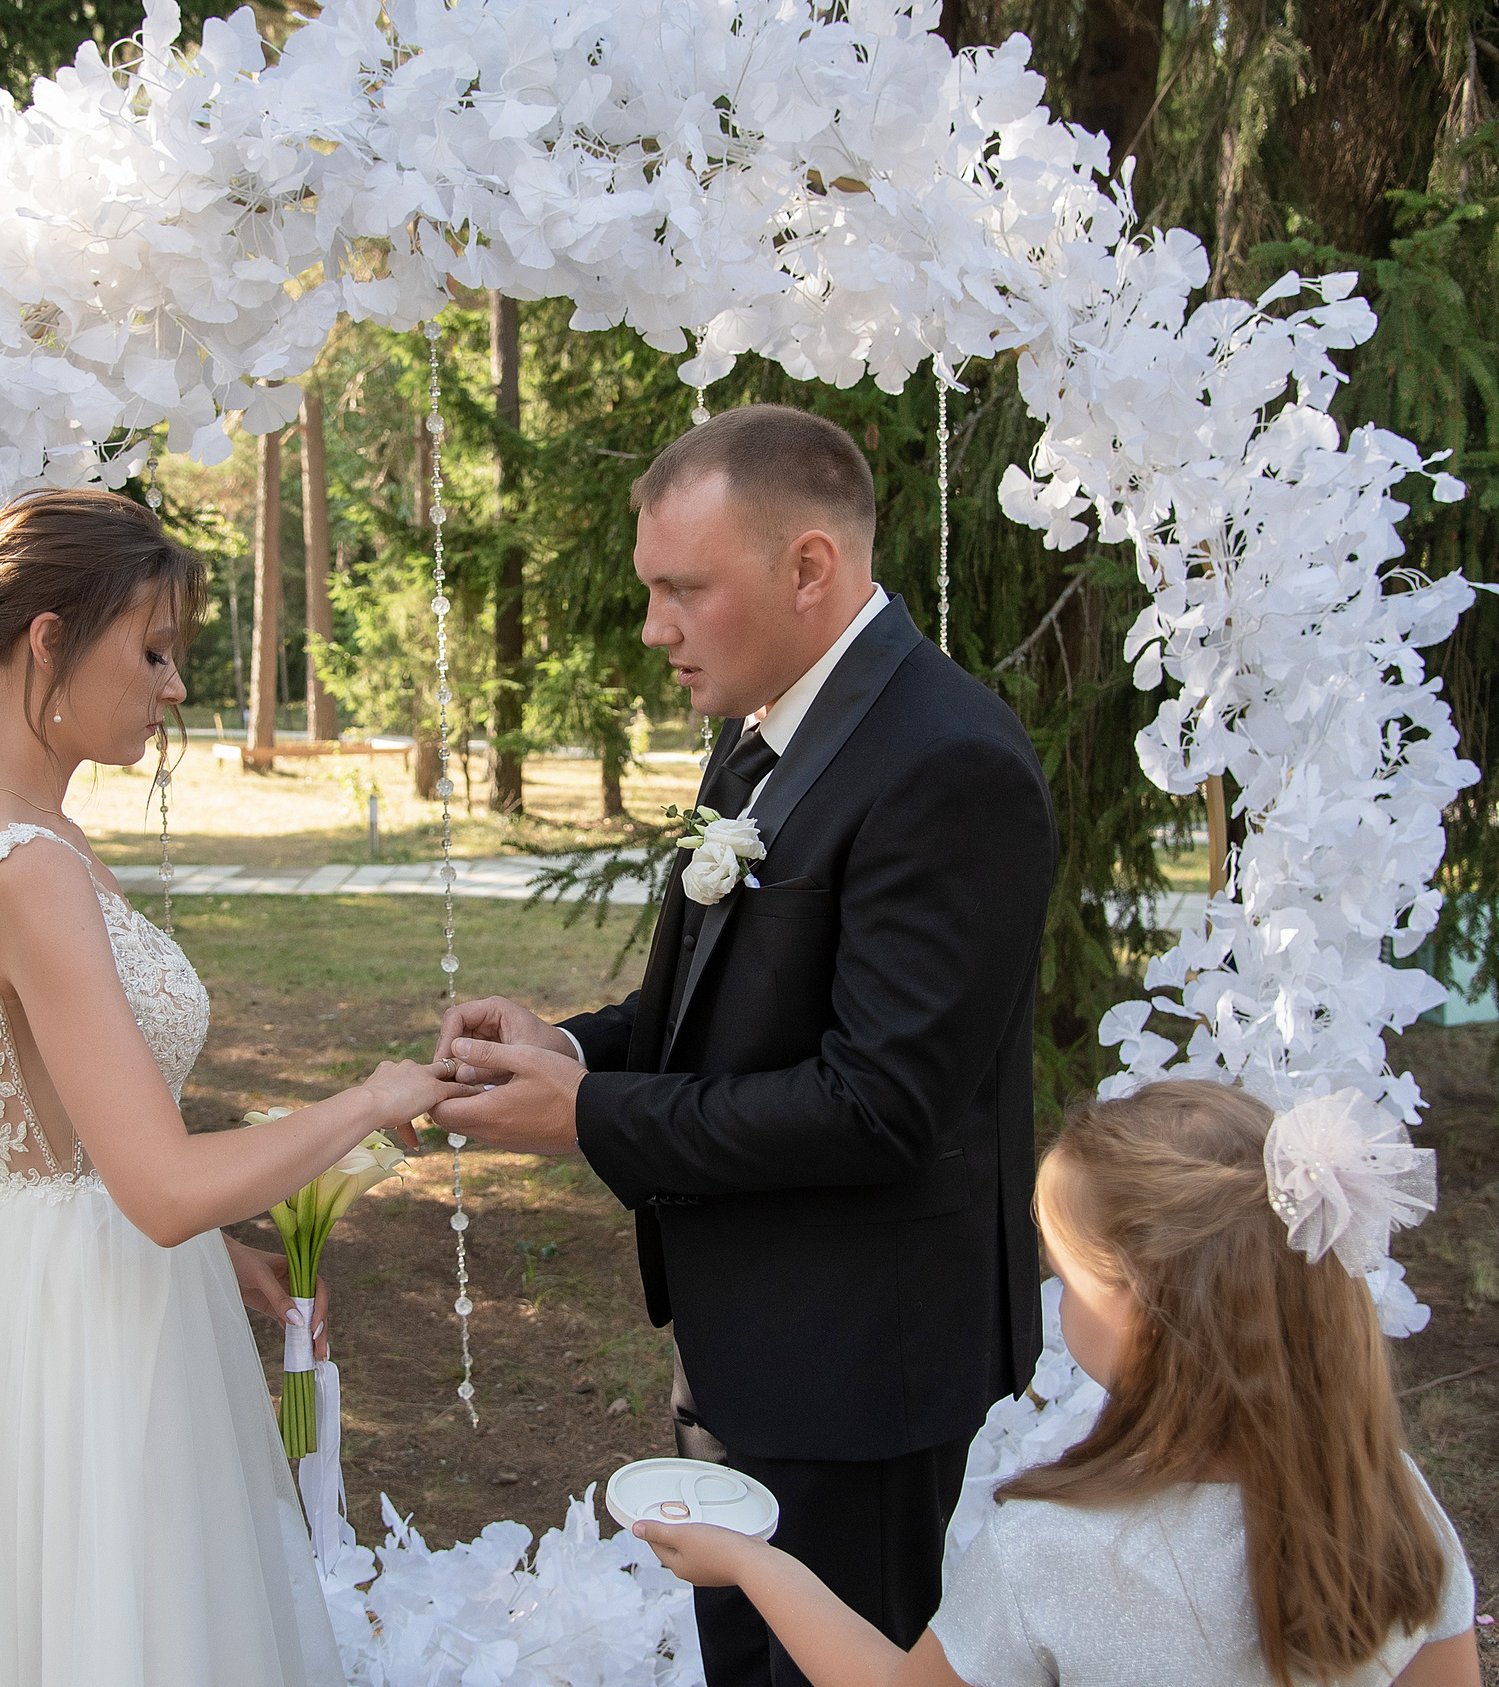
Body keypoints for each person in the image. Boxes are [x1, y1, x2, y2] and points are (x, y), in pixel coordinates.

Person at [0, 489, 471, 1686]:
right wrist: (369, 1101)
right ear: (48, 641)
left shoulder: (7, 832)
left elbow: (54, 1137)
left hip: (40, 1274)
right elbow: (160, 1187)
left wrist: (224, 1260)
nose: (172, 687)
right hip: (75, 1330)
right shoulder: (26, 866)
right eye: (152, 651)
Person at [432, 404, 1058, 1687]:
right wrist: (570, 1050)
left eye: (682, 590)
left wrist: (586, 1120)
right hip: (750, 1334)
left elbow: (879, 1104)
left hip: (860, 1366)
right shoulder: (762, 726)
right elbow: (717, 1015)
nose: (652, 627)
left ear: (808, 567)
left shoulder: (948, 762)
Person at [631, 1079, 1483, 1687]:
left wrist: (754, 1563)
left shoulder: (1051, 1550)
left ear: (1140, 1311)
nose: (1057, 1297)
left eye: (1066, 1277)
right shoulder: (1390, 1505)